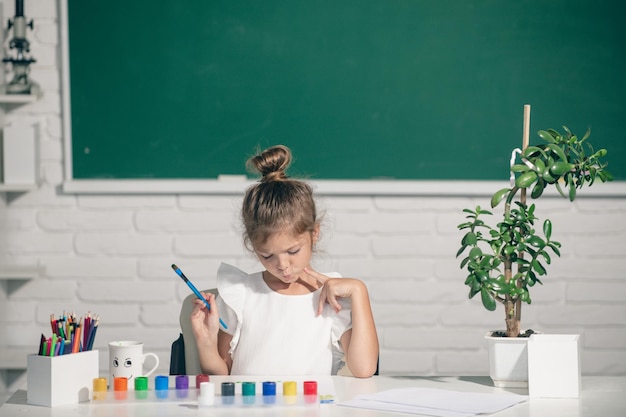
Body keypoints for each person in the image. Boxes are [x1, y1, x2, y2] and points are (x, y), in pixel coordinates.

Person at [190, 145, 379, 377]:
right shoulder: (241, 294)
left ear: (314, 233)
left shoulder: (331, 295)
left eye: (293, 251)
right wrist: (205, 343)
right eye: (267, 255)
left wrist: (359, 291)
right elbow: (222, 375)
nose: (282, 265)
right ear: (252, 244)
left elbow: (364, 369)